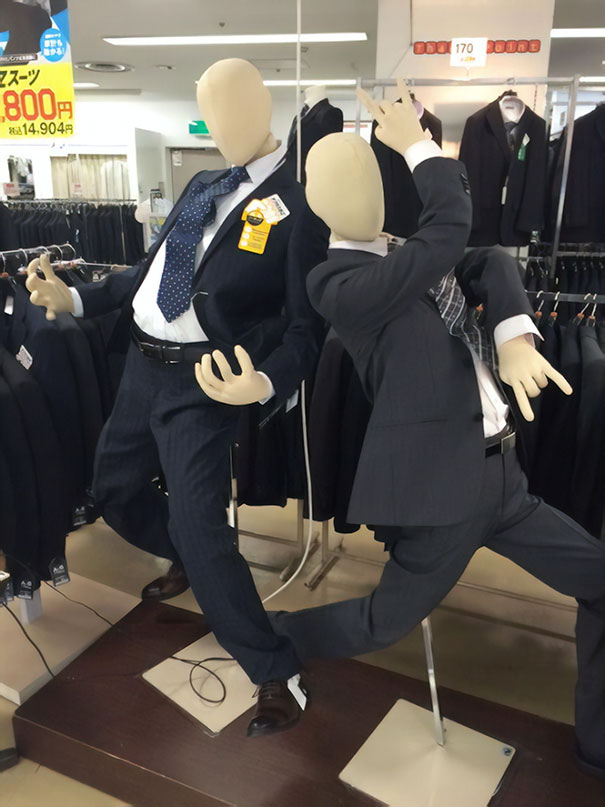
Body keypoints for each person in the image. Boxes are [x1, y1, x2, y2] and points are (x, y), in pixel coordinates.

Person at [267, 81, 605, 779]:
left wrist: (514, 334)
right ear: (317, 204)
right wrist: (419, 147)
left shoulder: (400, 248)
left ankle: (597, 745)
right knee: (380, 622)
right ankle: (271, 635)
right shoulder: (337, 284)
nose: (367, 189)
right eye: (345, 181)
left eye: (370, 172)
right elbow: (452, 229)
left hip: (503, 480)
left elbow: (491, 258)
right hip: (439, 495)